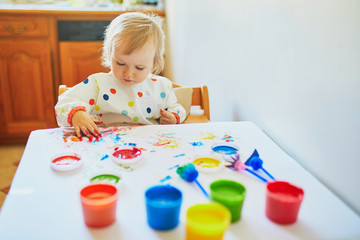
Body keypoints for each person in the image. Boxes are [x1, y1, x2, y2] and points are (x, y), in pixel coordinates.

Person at [55, 12, 186, 138]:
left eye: (139, 67)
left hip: (149, 146)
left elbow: (177, 108)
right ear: (110, 54)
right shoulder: (98, 84)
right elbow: (65, 102)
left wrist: (173, 117)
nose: (128, 73)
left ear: (154, 62)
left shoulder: (161, 87)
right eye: (120, 63)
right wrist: (77, 114)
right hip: (105, 146)